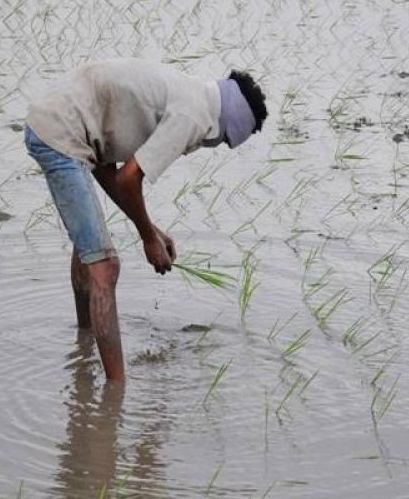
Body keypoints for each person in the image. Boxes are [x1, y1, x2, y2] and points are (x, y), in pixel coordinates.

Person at [24, 58, 268, 379]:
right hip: (61, 134)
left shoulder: (189, 93)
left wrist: (150, 229)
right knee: (105, 267)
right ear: (225, 128)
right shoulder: (194, 116)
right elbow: (128, 179)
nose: (216, 146)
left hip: (60, 124)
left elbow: (104, 165)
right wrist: (149, 239)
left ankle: (84, 345)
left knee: (89, 250)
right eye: (224, 142)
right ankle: (116, 392)